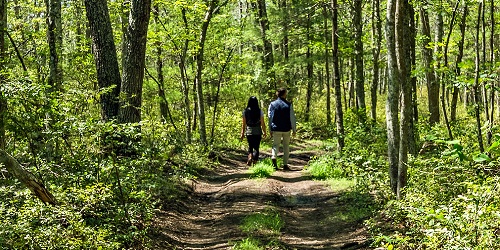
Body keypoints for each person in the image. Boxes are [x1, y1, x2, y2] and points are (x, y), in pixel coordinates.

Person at [268, 88, 296, 170]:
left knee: (275, 145)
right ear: (284, 94)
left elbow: (270, 117)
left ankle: (273, 156)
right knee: (286, 146)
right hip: (286, 128)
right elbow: (292, 118)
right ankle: (285, 164)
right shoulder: (288, 104)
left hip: (276, 128)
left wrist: (270, 128)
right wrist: (294, 129)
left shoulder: (272, 104)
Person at [240, 96, 267, 165]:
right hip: (258, 131)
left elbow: (244, 124)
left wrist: (242, 133)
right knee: (256, 147)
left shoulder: (245, 111)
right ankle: (255, 161)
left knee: (250, 146)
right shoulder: (260, 111)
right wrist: (264, 132)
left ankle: (250, 156)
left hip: (249, 131)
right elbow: (262, 123)